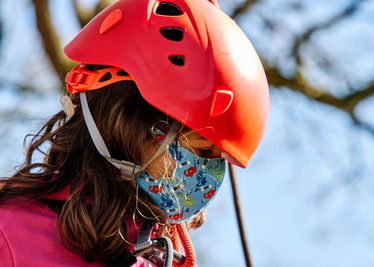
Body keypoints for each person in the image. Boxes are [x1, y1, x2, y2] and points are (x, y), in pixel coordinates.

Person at [0, 0, 269, 266]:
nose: (207, 177)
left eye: (217, 161)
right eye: (202, 151)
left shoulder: (154, 257)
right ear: (131, 122)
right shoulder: (10, 233)